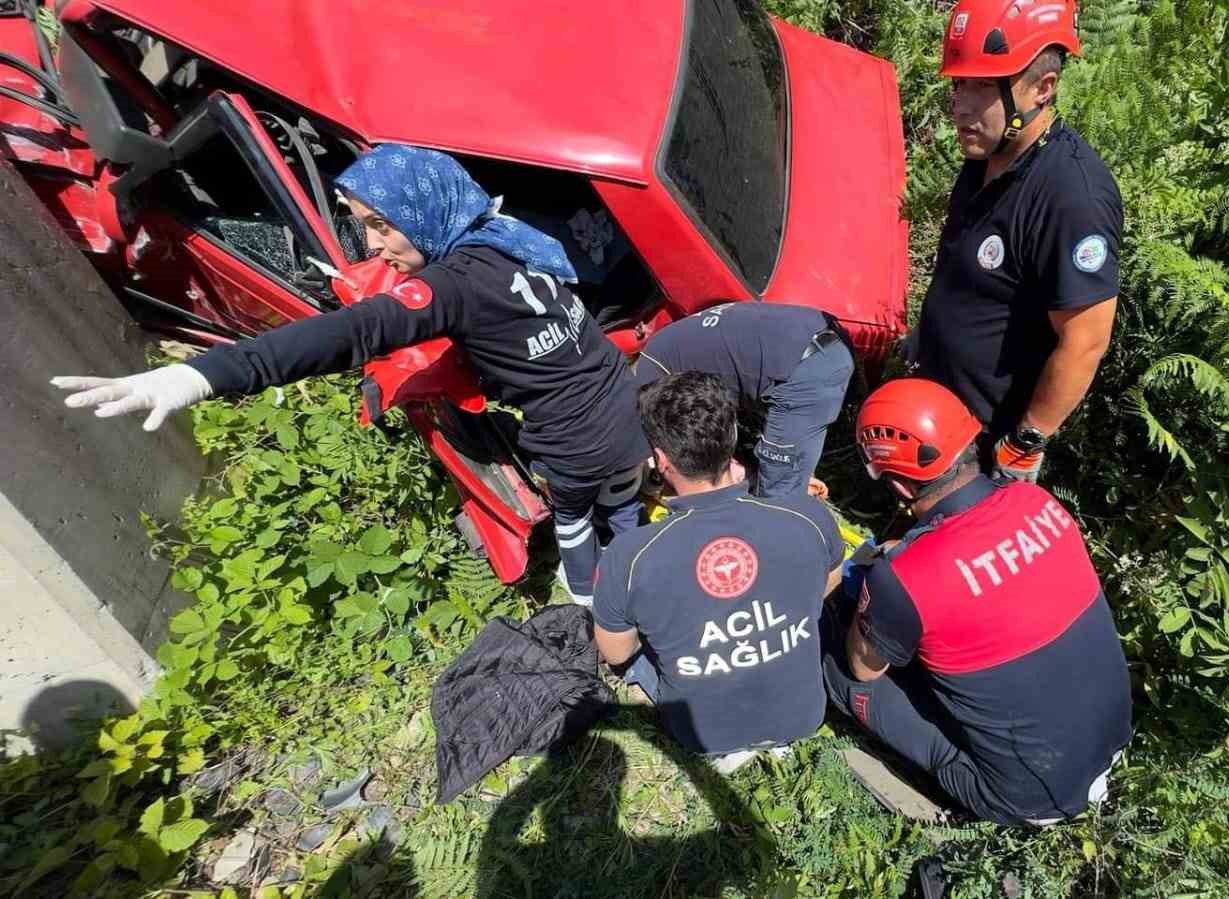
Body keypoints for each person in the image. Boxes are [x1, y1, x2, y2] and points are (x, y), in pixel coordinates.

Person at [51, 144, 649, 606]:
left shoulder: (452, 284)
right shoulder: (509, 239)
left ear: (424, 211)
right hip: (625, 411)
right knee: (620, 502)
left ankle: (594, 597)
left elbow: (350, 333)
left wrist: (204, 375)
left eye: (382, 225)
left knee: (574, 518)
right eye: (364, 224)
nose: (373, 245)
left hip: (575, 447)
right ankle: (640, 559)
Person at [824, 378, 1131, 825]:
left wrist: (876, 591)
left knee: (841, 670)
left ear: (901, 486)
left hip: (1028, 800)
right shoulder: (1036, 500)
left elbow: (863, 667)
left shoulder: (904, 576)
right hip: (1110, 740)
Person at [906, 0, 1123, 482]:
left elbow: (1085, 341)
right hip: (932, 414)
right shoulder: (987, 153)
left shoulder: (1071, 197)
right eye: (959, 83)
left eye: (982, 86)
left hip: (984, 448)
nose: (960, 105)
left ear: (1042, 89)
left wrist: (1025, 442)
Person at [591, 372, 845, 773]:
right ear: (732, 444)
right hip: (804, 717)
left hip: (703, 734)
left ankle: (727, 742)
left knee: (636, 658)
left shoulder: (630, 554)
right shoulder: (807, 515)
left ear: (661, 460)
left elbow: (615, 652)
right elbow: (826, 587)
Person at [633, 302, 853, 499]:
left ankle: (774, 536)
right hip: (824, 343)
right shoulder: (665, 350)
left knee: (778, 493)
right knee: (786, 467)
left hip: (805, 367)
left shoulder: (651, 391)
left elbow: (687, 455)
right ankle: (795, 484)